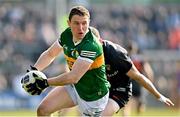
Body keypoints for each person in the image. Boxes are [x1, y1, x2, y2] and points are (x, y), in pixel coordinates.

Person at [58, 27, 175, 116]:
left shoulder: (116, 54)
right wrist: (63, 102)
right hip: (100, 88)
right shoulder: (84, 54)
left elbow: (139, 77)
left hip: (119, 91)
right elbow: (75, 78)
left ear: (99, 41)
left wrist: (159, 96)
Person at [21, 6, 110, 116]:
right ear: (69, 23)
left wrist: (45, 83)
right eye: (76, 23)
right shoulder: (66, 34)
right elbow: (50, 54)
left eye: (84, 23)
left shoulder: (92, 45)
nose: (81, 28)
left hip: (94, 96)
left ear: (89, 22)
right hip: (75, 87)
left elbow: (74, 77)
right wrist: (34, 70)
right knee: (43, 110)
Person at [123, 41, 154, 116]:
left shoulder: (125, 57)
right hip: (139, 82)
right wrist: (150, 81)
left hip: (128, 82)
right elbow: (148, 70)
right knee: (140, 104)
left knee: (127, 104)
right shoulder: (140, 58)